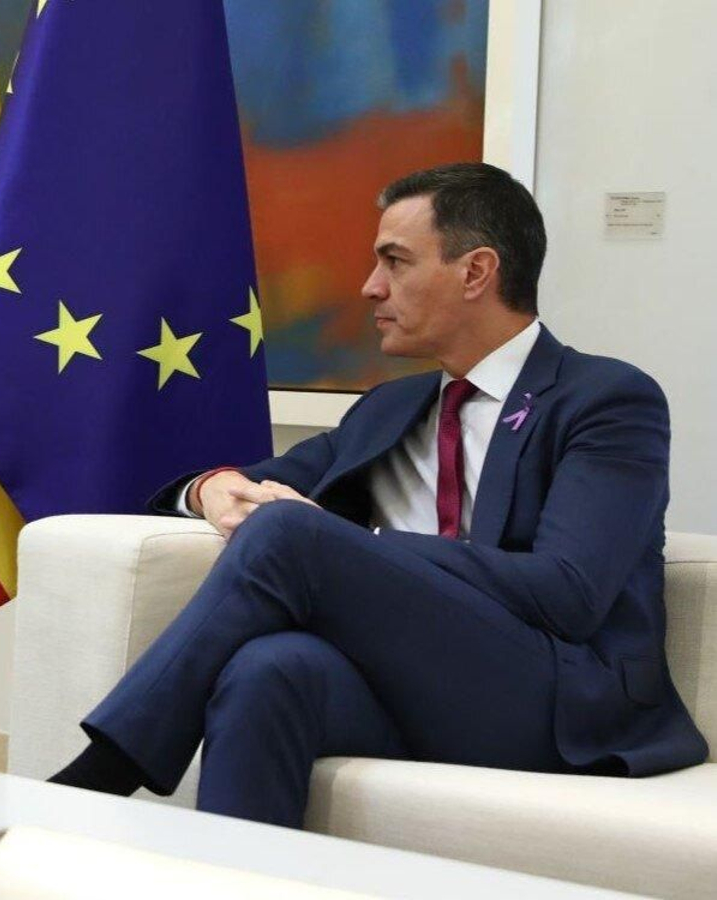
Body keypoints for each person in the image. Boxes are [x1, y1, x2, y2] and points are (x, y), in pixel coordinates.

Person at [49, 162, 708, 827]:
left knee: (289, 534)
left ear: (475, 272)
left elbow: (568, 593)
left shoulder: (606, 399)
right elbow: (259, 480)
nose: (369, 288)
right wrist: (212, 486)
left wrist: (367, 549)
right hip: (419, 688)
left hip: (557, 700)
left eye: (395, 262)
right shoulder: (390, 408)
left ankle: (104, 774)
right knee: (269, 671)